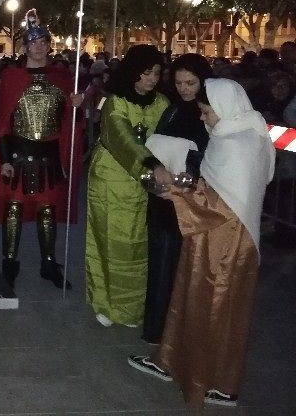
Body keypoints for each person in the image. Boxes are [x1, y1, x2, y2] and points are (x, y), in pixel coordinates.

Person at [128, 78, 275, 408]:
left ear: (224, 107)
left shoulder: (237, 144)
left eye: (207, 111)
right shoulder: (248, 135)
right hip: (216, 236)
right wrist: (187, 189)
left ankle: (214, 380)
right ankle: (173, 360)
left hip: (225, 241)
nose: (203, 117)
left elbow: (220, 206)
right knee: (195, 300)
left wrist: (175, 193)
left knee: (216, 307)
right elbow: (220, 190)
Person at [0, 15, 84, 288]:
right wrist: (4, 159)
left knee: (48, 212)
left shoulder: (63, 78)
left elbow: (70, 122)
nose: (40, 47)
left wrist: (77, 106)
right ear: (25, 47)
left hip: (49, 157)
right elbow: (3, 123)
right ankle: (9, 262)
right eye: (34, 42)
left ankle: (48, 264)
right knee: (13, 210)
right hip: (18, 155)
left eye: (44, 42)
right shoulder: (12, 77)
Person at [85, 44, 169, 326]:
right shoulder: (116, 102)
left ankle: (132, 307)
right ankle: (105, 302)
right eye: (146, 73)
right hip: (111, 180)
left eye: (156, 73)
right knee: (108, 241)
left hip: (147, 185)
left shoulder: (161, 103)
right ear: (133, 72)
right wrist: (150, 163)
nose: (152, 79)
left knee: (138, 247)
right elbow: (122, 138)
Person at [142, 54, 212, 344]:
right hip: (162, 197)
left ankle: (173, 333)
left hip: (190, 201)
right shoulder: (171, 110)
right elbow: (153, 150)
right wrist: (154, 181)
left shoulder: (208, 113)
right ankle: (156, 329)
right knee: (160, 263)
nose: (184, 88)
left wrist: (178, 183)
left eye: (190, 83)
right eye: (179, 82)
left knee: (182, 267)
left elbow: (207, 163)